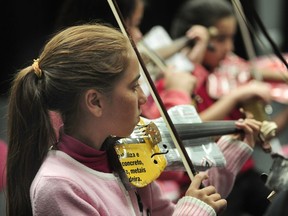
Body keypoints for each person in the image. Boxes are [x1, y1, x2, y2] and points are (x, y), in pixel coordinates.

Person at [5, 22, 233, 216]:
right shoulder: (59, 185)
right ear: (95, 102)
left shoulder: (125, 157)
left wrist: (233, 150)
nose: (143, 98)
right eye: (134, 87)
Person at [141, 0, 274, 215]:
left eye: (231, 38)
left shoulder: (219, 75)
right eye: (221, 39)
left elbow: (262, 135)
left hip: (242, 171)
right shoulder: (180, 78)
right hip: (204, 181)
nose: (229, 49)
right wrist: (233, 97)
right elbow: (190, 129)